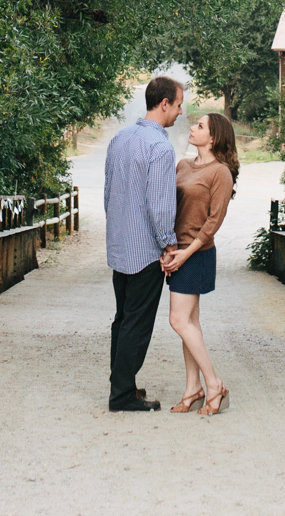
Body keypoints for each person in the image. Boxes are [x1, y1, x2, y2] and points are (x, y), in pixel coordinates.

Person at [104, 73, 184, 411]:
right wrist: (169, 244)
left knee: (123, 319)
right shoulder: (161, 148)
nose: (181, 113)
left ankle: (123, 385)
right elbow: (160, 204)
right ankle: (121, 395)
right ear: (164, 103)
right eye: (179, 106)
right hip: (145, 254)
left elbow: (109, 194)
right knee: (137, 323)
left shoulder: (120, 138)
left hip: (121, 247)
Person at [162, 111, 237, 415]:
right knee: (189, 323)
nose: (192, 127)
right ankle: (193, 389)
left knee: (178, 320)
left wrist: (186, 252)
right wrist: (167, 248)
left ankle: (214, 383)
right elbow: (168, 208)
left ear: (214, 137)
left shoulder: (220, 173)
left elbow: (213, 222)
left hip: (197, 253)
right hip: (176, 250)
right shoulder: (182, 165)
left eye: (200, 126)